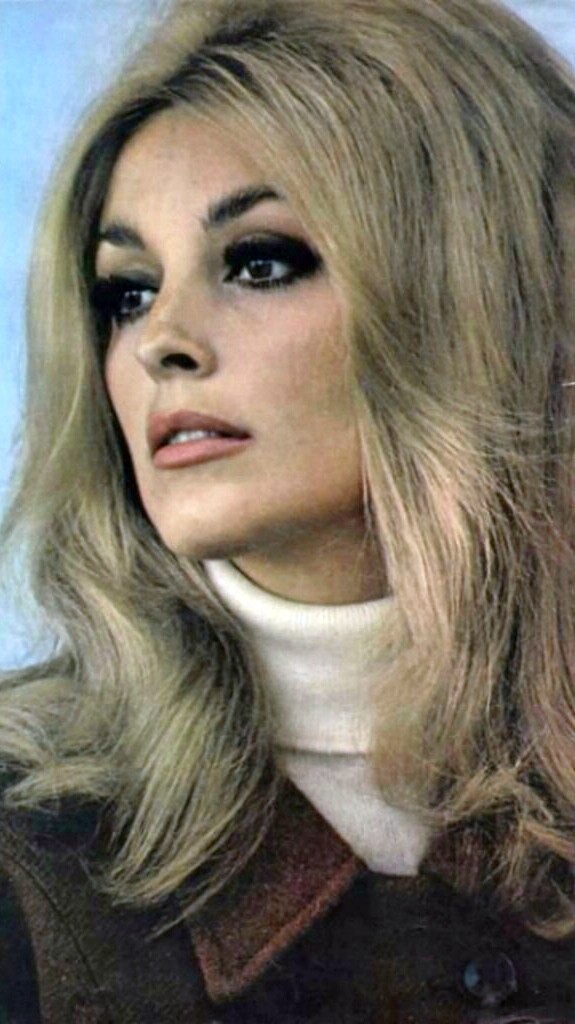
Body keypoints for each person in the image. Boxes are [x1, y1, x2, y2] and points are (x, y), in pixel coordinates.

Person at [1, 0, 575, 1019]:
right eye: (127, 291)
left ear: (479, 298)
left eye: (258, 262)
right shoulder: (25, 851)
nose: (160, 341)